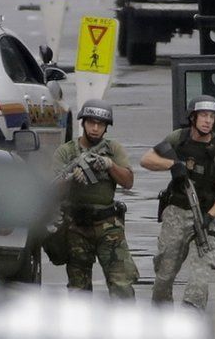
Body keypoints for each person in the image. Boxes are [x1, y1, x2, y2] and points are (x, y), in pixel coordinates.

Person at [140, 95, 215, 310]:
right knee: (164, 274)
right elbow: (146, 159)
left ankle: (191, 319)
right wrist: (172, 165)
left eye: (212, 116)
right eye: (203, 115)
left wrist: (210, 216)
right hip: (176, 212)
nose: (207, 121)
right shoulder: (179, 138)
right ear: (193, 117)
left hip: (205, 217)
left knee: (199, 279)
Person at [52, 99, 138, 299]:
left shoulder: (113, 149)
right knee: (78, 289)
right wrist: (72, 179)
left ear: (106, 127)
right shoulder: (67, 152)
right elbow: (51, 190)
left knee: (122, 285)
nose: (95, 128)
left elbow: (128, 181)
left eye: (100, 124)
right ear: (83, 123)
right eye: (91, 122)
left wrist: (109, 165)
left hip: (108, 225)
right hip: (76, 226)